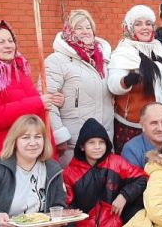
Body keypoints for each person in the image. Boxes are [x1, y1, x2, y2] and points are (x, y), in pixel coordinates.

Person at [63, 118, 148, 227]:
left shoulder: (116, 162)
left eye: (101, 142)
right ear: (81, 146)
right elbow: (67, 204)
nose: (97, 147)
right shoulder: (70, 172)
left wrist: (124, 196)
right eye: (91, 142)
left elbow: (142, 178)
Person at [0, 20, 63, 163]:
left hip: (33, 151)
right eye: (1, 42)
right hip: (8, 154)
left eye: (10, 40)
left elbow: (28, 101)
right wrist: (37, 102)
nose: (8, 45)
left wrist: (47, 99)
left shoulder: (19, 68)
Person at [108, 5, 162, 153]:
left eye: (148, 24)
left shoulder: (161, 50)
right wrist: (126, 81)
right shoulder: (124, 52)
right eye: (138, 24)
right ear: (130, 28)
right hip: (133, 126)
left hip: (161, 126)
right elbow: (113, 84)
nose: (144, 28)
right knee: (134, 169)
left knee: (160, 168)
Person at [44, 9, 114, 166]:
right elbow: (48, 102)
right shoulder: (57, 61)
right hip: (74, 143)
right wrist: (59, 135)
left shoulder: (104, 60)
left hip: (103, 140)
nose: (85, 32)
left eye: (88, 27)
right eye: (79, 28)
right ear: (69, 31)